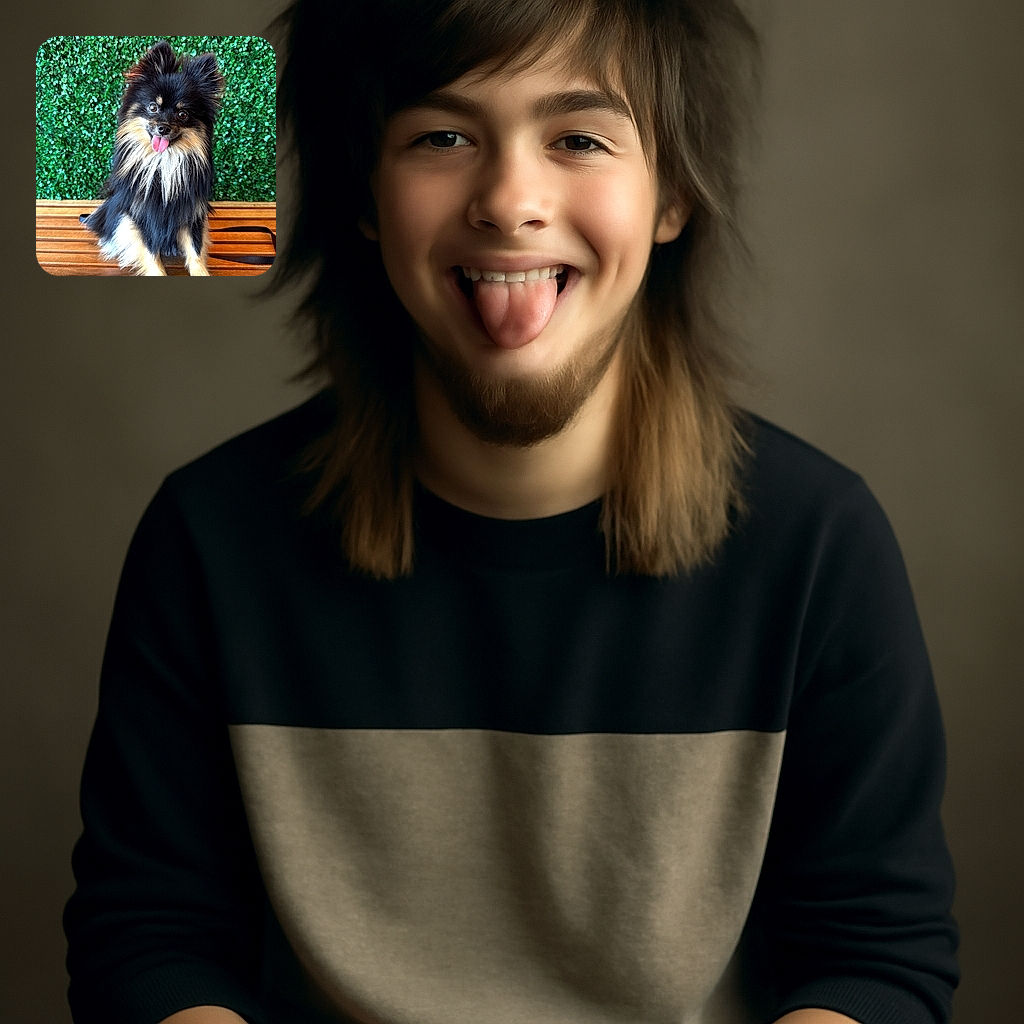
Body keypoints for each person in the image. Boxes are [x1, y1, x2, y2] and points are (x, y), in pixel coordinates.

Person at [63, 1, 959, 1022]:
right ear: (365, 196)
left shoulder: (821, 544)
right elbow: (147, 942)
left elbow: (877, 957)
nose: (509, 200)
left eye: (578, 138)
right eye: (441, 137)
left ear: (672, 197)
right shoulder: (206, 537)